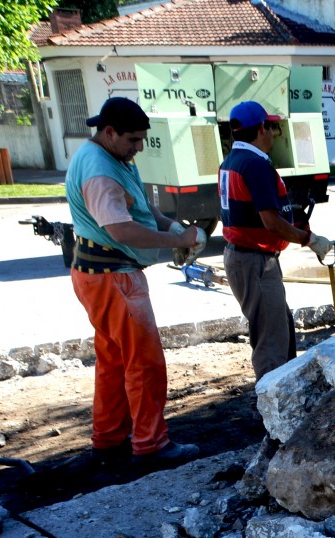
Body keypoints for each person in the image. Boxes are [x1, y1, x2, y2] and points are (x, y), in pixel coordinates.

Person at [65, 96, 203, 469]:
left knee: (113, 361)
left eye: (142, 139)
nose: (139, 147)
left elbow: (141, 206)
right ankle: (151, 444)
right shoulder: (99, 171)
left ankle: (109, 439)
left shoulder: (114, 157)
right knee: (144, 364)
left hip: (100, 276)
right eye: (133, 140)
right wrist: (178, 241)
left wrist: (172, 225)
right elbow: (122, 228)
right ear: (109, 132)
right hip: (114, 277)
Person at [218, 101, 332, 380]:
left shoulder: (232, 161)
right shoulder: (255, 165)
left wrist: (291, 216)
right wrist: (309, 239)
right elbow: (270, 222)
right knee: (271, 341)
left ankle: (281, 400)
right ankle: (275, 412)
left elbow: (247, 212)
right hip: (255, 261)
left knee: (278, 327)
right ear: (261, 129)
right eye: (272, 127)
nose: (274, 133)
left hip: (244, 257)